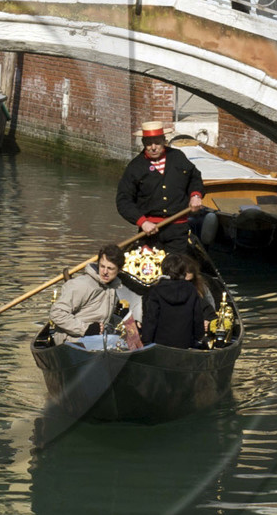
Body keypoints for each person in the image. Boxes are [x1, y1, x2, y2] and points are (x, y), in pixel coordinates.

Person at [116, 121, 205, 257]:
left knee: (177, 270)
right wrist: (142, 222)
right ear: (143, 143)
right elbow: (123, 201)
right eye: (149, 143)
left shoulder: (177, 157)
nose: (153, 147)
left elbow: (195, 177)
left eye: (157, 143)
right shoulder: (135, 167)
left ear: (164, 141)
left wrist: (196, 195)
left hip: (178, 231)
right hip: (149, 232)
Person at [48, 244, 126, 344]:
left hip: (96, 338)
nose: (105, 272)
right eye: (102, 266)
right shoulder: (82, 285)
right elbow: (56, 313)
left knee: (128, 342)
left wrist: (126, 324)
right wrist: (86, 329)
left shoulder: (112, 288)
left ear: (119, 270)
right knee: (115, 343)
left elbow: (101, 315)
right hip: (71, 339)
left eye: (110, 268)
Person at [140, 252, 207, 349]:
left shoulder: (156, 290)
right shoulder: (191, 289)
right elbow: (197, 318)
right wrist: (198, 337)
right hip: (185, 344)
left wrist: (146, 342)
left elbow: (151, 319)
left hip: (160, 346)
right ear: (183, 271)